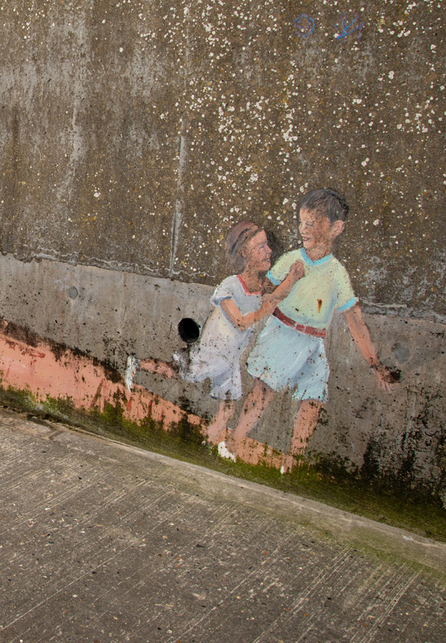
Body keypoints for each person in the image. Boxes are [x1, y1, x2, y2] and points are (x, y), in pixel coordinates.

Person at [231, 188, 398, 473]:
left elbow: (354, 319)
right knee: (264, 390)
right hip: (283, 332)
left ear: (336, 229)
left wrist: (374, 362)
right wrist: (290, 282)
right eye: (302, 222)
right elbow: (266, 292)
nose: (304, 229)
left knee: (313, 400)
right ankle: (234, 443)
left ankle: (292, 462)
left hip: (314, 343)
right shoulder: (292, 259)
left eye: (312, 223)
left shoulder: (337, 273)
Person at [127, 221, 303, 455]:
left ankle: (206, 448)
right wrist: (267, 308)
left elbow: (274, 296)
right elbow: (240, 321)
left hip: (229, 360)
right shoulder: (230, 285)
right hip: (210, 355)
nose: (268, 251)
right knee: (174, 371)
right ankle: (136, 363)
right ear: (244, 252)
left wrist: (293, 278)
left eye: (267, 245)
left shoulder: (259, 287)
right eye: (260, 246)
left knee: (228, 407)